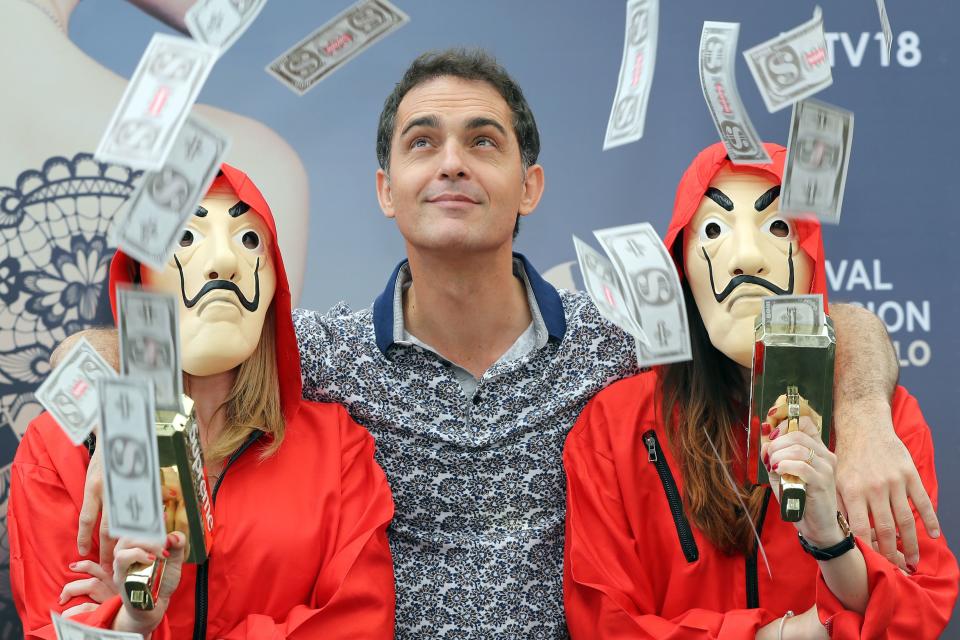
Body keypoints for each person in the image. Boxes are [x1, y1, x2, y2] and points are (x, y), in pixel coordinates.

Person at [65, 50, 936, 637]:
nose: (451, 163)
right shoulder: (322, 354)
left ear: (530, 186)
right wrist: (130, 418)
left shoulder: (623, 345)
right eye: (422, 143)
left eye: (483, 141)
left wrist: (859, 412)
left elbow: (828, 318)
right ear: (384, 190)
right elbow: (139, 329)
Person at [562, 142, 959, 638]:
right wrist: (783, 634)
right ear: (681, 266)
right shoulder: (615, 426)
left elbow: (914, 606)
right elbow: (604, 622)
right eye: (713, 230)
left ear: (812, 258)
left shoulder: (884, 419)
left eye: (778, 227)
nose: (746, 257)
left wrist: (828, 536)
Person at [9, 165, 395, 639]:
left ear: (276, 282)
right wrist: (134, 621)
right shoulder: (56, 451)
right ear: (139, 277)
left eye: (249, 240)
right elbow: (52, 625)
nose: (224, 260)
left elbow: (357, 624)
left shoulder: (336, 449)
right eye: (186, 237)